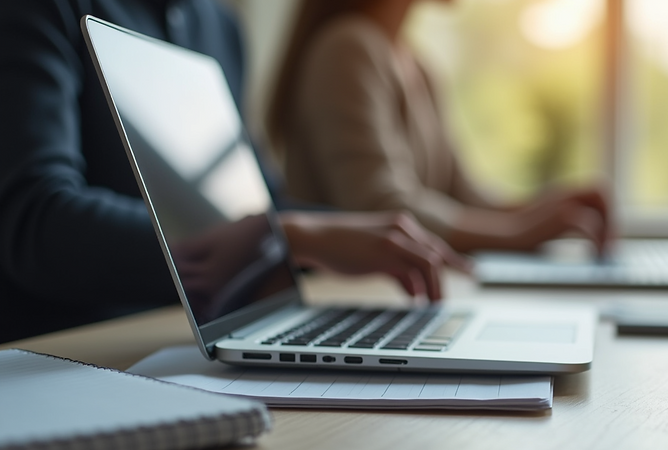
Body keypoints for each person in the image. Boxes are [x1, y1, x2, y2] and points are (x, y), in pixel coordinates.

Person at [0, 0, 467, 344]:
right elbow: (35, 221)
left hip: (187, 343)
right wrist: (285, 236)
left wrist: (351, 232)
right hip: (64, 360)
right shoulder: (39, 11)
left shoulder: (217, 24)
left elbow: (261, 204)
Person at [266, 0, 613, 254]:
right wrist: (518, 232)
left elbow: (462, 196)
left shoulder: (416, 64)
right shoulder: (347, 47)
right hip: (344, 300)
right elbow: (382, 210)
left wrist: (547, 210)